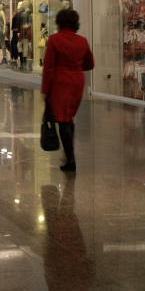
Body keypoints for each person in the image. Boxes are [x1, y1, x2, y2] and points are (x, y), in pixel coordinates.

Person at [41, 9, 94, 172]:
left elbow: (49, 68)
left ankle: (70, 159)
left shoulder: (55, 40)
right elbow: (89, 64)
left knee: (63, 120)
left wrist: (45, 90)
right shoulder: (82, 41)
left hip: (60, 82)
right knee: (68, 117)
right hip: (77, 81)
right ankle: (68, 153)